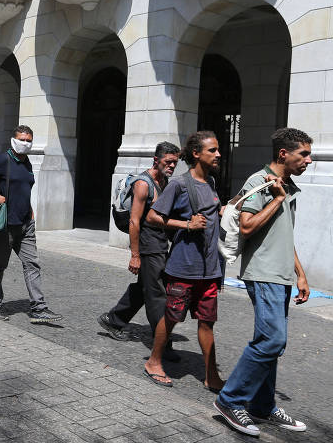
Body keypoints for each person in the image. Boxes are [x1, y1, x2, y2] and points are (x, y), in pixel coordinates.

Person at [213, 128, 312, 436]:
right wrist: (276, 197)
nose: (309, 160)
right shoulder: (259, 182)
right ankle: (231, 400)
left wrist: (300, 273)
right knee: (272, 341)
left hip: (281, 275)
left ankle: (263, 405)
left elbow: (284, 234)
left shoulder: (287, 186)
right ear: (284, 153)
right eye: (304, 154)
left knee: (271, 344)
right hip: (263, 273)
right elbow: (246, 227)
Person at [143, 130, 225, 390]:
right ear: (196, 154)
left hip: (210, 270)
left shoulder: (211, 183)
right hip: (183, 268)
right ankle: (154, 361)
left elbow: (212, 213)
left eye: (218, 149)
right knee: (172, 317)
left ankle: (211, 373)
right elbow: (152, 217)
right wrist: (187, 224)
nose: (218, 154)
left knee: (207, 321)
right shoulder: (179, 184)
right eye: (212, 150)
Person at [0, 125, 63, 324]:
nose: (25, 143)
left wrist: (31, 213)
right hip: (6, 225)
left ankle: (39, 308)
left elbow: (24, 190)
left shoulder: (27, 162)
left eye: (29, 140)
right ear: (13, 139)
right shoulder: (4, 160)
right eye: (22, 139)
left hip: (26, 224)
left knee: (32, 264)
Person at [98, 142, 181, 355]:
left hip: (159, 243)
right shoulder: (143, 184)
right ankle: (162, 344)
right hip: (148, 245)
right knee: (156, 294)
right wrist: (135, 255)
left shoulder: (163, 181)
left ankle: (114, 319)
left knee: (145, 287)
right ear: (156, 160)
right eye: (168, 162)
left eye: (175, 162)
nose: (172, 166)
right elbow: (134, 221)